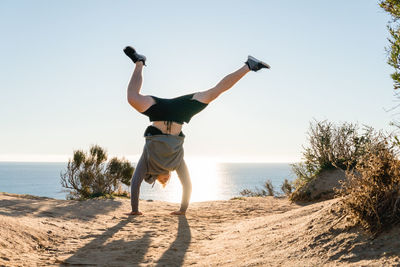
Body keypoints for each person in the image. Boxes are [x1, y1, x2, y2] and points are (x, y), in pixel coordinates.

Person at [123, 46, 270, 216]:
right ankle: (249, 65)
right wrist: (182, 210)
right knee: (214, 93)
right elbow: (187, 184)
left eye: (162, 181)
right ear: (169, 176)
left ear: (157, 178)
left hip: (158, 111)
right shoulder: (176, 162)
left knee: (132, 98)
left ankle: (139, 62)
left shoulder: (148, 162)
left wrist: (135, 210)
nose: (165, 179)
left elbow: (135, 182)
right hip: (180, 114)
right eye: (167, 180)